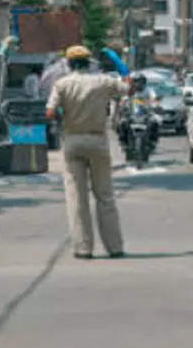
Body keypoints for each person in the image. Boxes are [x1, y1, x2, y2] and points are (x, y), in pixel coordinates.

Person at [46, 45, 133, 260]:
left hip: (73, 140)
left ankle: (83, 248)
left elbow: (50, 112)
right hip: (98, 140)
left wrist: (62, 116)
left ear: (69, 64)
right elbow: (129, 88)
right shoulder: (102, 81)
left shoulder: (62, 84)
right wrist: (122, 67)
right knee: (105, 195)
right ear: (89, 62)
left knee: (77, 198)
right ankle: (115, 247)